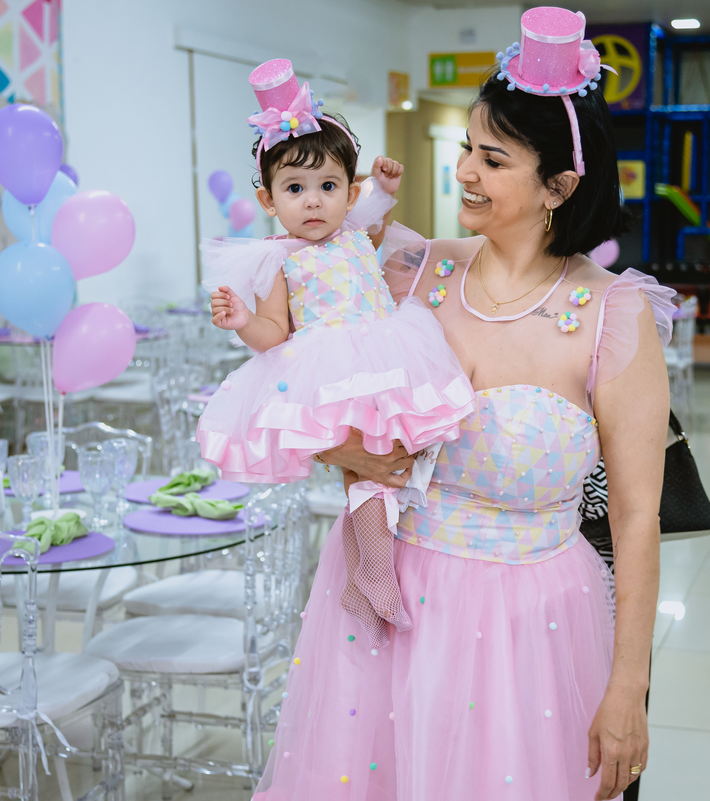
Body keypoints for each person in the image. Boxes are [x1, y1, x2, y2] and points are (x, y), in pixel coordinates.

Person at [254, 7, 673, 801]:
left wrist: (629, 684)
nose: (465, 172)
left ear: (559, 183)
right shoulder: (414, 266)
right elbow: (303, 384)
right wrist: (348, 454)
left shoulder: (612, 314)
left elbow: (636, 516)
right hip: (387, 604)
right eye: (467, 151)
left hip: (529, 630)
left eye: (492, 158)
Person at [196, 59, 476, 647]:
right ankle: (373, 573)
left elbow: (378, 214)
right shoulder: (278, 257)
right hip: (326, 366)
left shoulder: (355, 231)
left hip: (387, 348)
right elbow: (274, 331)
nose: (314, 202)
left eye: (328, 187)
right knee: (365, 463)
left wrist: (389, 188)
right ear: (268, 200)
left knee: (393, 459)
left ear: (349, 194)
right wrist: (244, 320)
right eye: (295, 189)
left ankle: (365, 573)